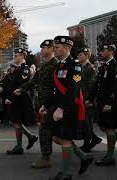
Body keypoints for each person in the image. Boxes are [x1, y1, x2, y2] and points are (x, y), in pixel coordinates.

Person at [49, 36, 93, 180]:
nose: (54, 50)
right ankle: (84, 157)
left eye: (57, 47)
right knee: (56, 137)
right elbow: (55, 88)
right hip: (59, 106)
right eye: (54, 47)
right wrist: (46, 105)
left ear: (67, 48)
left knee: (65, 138)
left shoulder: (75, 65)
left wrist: (61, 108)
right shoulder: (59, 65)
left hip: (69, 107)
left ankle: (66, 173)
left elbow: (74, 88)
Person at [15, 40, 58, 168]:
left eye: (44, 48)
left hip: (52, 104)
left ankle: (46, 158)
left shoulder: (56, 65)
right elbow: (34, 81)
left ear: (51, 49)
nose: (41, 50)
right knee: (56, 133)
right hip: (44, 103)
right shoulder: (44, 65)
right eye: (41, 48)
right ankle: (82, 156)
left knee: (47, 131)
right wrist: (22, 89)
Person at [3, 48, 38, 155]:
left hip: (19, 98)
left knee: (16, 121)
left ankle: (20, 145)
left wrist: (11, 98)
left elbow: (20, 87)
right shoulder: (17, 68)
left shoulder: (25, 69)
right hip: (15, 98)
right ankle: (28, 137)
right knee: (16, 121)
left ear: (22, 56)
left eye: (17, 55)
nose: (15, 57)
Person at [86, 44, 117, 166]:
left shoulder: (114, 66)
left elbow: (115, 86)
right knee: (104, 126)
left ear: (110, 52)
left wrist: (110, 103)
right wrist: (90, 98)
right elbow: (97, 85)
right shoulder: (104, 66)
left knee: (109, 127)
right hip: (102, 101)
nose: (101, 53)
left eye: (103, 51)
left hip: (110, 102)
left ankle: (109, 156)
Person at [77, 47, 102, 152]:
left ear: (87, 56)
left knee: (87, 122)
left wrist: (90, 101)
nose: (78, 56)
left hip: (87, 100)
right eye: (78, 55)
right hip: (81, 98)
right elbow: (77, 81)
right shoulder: (80, 67)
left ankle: (87, 144)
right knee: (83, 122)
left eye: (80, 55)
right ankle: (94, 139)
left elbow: (92, 86)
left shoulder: (90, 68)